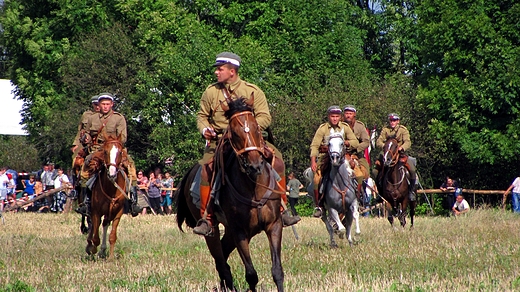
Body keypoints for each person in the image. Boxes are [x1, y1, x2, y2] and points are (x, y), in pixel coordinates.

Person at [193, 52, 300, 236]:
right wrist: (205, 130)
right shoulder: (211, 92)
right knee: (206, 168)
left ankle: (282, 210)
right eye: (217, 69)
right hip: (220, 140)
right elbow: (202, 117)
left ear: (232, 71)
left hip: (251, 140)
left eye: (220, 69)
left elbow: (265, 116)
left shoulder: (253, 91)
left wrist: (248, 130)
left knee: (278, 161)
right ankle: (207, 218)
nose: (217, 73)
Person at [75, 93, 142, 217]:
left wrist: (112, 144)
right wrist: (86, 138)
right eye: (103, 104)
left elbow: (123, 137)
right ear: (99, 105)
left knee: (131, 167)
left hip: (115, 149)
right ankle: (84, 203)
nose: (105, 106)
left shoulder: (119, 118)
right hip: (97, 149)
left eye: (107, 104)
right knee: (85, 168)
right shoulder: (92, 118)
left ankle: (133, 202)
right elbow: (88, 133)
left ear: (112, 105)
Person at [310, 106, 359, 217]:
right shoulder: (323, 129)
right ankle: (319, 205)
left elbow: (355, 142)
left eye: (337, 116)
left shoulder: (345, 128)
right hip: (326, 157)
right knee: (317, 179)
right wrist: (313, 161)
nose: (335, 119)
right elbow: (314, 145)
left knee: (359, 173)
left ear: (340, 117)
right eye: (332, 116)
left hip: (343, 156)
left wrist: (346, 143)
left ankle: (357, 197)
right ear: (329, 117)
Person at [373, 113, 417, 201]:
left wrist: (402, 148)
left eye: (394, 120)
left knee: (412, 170)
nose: (392, 122)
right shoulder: (385, 130)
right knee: (375, 172)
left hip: (399, 154)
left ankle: (411, 191)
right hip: (387, 154)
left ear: (398, 121)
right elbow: (378, 141)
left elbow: (407, 142)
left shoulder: (403, 130)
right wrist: (386, 147)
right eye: (391, 120)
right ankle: (380, 193)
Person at [343, 105, 371, 195]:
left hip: (357, 154)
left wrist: (356, 148)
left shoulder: (360, 126)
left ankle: (361, 194)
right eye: (346, 113)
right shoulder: (339, 125)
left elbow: (366, 141)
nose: (348, 115)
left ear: (354, 114)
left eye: (350, 114)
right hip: (341, 154)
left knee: (365, 171)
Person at [71, 95, 100, 169]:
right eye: (95, 105)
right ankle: (77, 179)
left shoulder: (106, 116)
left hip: (99, 142)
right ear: (92, 104)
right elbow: (80, 130)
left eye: (99, 104)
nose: (97, 107)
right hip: (85, 143)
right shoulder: (86, 115)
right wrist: (76, 144)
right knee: (75, 160)